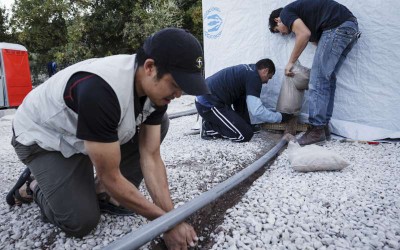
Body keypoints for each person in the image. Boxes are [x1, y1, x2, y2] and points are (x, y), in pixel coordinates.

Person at [7, 28, 209, 249]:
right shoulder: (100, 90)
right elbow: (110, 176)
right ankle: (33, 185)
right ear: (150, 67)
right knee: (80, 222)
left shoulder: (156, 92)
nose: (179, 94)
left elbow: (150, 157)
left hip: (86, 137)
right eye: (176, 85)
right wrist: (166, 225)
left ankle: (104, 196)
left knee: (161, 123)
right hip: (44, 139)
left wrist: (172, 218)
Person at [269, 0, 360, 145]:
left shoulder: (285, 13)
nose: (283, 34)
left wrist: (291, 62)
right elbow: (318, 42)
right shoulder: (310, 20)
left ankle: (316, 130)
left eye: (278, 30)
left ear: (277, 20)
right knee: (327, 78)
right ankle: (323, 128)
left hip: (338, 27)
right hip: (350, 28)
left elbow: (303, 35)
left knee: (317, 80)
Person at [195, 59, 292, 142]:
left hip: (212, 98)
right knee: (244, 135)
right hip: (208, 104)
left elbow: (241, 102)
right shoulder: (254, 78)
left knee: (242, 97)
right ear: (265, 71)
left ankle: (241, 125)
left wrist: (246, 123)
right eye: (269, 77)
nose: (267, 81)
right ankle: (208, 128)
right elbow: (257, 111)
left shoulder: (250, 71)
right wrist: (280, 117)